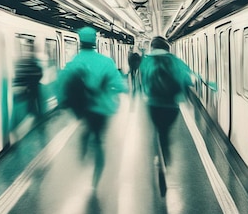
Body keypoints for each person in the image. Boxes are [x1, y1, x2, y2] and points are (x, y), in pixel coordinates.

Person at [57, 26, 128, 188]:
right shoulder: (106, 62)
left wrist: (63, 102)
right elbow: (120, 86)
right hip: (102, 109)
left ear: (80, 42)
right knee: (98, 139)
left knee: (87, 128)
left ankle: (83, 153)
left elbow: (62, 85)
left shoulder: (73, 63)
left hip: (82, 109)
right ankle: (96, 178)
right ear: (95, 41)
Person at [139, 36, 194, 167]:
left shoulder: (147, 61)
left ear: (152, 48)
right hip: (172, 105)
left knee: (158, 130)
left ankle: (158, 157)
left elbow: (143, 81)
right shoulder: (176, 61)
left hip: (153, 104)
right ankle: (165, 158)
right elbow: (188, 80)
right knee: (165, 131)